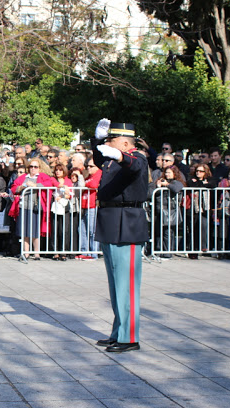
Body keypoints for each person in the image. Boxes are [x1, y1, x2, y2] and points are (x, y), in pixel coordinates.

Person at [92, 120, 148, 353]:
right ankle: (119, 332)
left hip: (127, 223)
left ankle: (129, 337)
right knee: (116, 286)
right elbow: (97, 159)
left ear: (125, 142)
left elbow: (133, 166)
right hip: (111, 221)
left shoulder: (138, 158)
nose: (107, 145)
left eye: (111, 140)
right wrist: (96, 141)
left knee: (127, 286)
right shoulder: (113, 159)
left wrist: (121, 156)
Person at [8, 158, 55, 260]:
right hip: (23, 206)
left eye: (35, 167)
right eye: (31, 167)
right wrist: (21, 187)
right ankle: (26, 252)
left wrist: (35, 185)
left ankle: (36, 253)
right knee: (24, 231)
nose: (33, 169)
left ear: (39, 168)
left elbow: (48, 184)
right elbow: (14, 187)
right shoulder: (24, 177)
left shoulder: (42, 176)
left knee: (35, 231)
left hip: (35, 207)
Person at [150, 165, 185, 257]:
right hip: (158, 210)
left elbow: (177, 188)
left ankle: (167, 252)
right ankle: (158, 250)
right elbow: (152, 193)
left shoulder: (177, 182)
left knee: (167, 232)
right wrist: (158, 186)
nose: (167, 174)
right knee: (157, 232)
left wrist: (167, 185)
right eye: (166, 172)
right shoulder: (160, 180)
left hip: (169, 210)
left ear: (174, 173)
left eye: (169, 172)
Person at [185, 164, 216, 259]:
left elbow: (213, 185)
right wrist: (203, 184)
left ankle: (204, 248)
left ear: (206, 172)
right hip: (194, 208)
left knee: (204, 227)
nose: (198, 172)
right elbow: (191, 184)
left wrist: (201, 184)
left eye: (201, 171)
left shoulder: (210, 179)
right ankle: (193, 251)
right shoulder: (191, 179)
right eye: (197, 170)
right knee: (193, 229)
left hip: (205, 208)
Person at [77, 155, 102, 260]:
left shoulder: (99, 173)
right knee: (82, 229)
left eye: (91, 166)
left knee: (92, 231)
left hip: (92, 205)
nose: (88, 168)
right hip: (85, 205)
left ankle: (93, 253)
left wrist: (85, 184)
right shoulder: (89, 176)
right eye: (87, 166)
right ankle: (85, 251)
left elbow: (94, 184)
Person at [49, 163, 73, 260]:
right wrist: (64, 187)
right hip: (55, 206)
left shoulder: (68, 180)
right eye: (56, 170)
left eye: (60, 170)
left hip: (64, 206)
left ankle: (64, 252)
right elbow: (55, 184)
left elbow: (70, 194)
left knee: (65, 230)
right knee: (55, 229)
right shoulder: (53, 179)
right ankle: (55, 251)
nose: (58, 172)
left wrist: (63, 194)